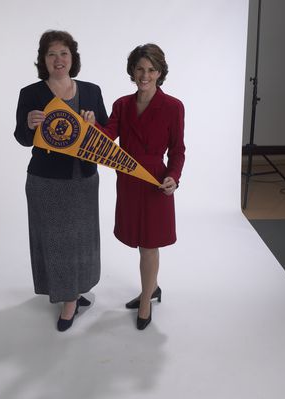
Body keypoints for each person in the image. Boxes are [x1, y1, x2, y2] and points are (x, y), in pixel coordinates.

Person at [14, 30, 108, 332]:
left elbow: (105, 134)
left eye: (64, 53)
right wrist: (29, 124)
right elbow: (22, 138)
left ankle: (72, 295)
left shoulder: (92, 90)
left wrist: (94, 126)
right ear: (43, 59)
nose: (58, 59)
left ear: (73, 58)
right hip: (45, 180)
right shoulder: (30, 94)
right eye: (52, 54)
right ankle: (67, 297)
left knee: (80, 239)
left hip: (83, 178)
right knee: (53, 241)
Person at [104, 43, 185, 330]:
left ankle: (146, 301)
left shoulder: (173, 106)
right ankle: (152, 288)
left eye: (151, 69)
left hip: (154, 183)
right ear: (132, 71)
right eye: (140, 68)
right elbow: (106, 137)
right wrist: (88, 125)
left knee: (149, 246)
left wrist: (173, 177)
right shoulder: (121, 105)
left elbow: (177, 150)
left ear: (160, 72)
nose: (145, 74)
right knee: (140, 243)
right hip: (127, 180)